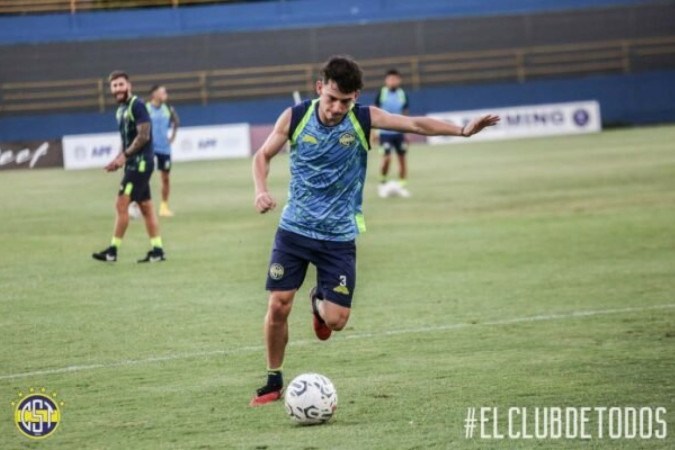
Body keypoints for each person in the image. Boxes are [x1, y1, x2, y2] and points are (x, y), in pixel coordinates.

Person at [249, 55, 499, 406]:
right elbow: (262, 156)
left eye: (346, 101)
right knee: (278, 304)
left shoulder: (364, 119)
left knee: (336, 321)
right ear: (320, 88)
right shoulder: (295, 117)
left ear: (357, 97)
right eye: (332, 98)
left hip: (338, 236)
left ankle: (319, 301)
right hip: (294, 229)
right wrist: (261, 189)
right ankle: (273, 379)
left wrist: (461, 130)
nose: (337, 108)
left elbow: (415, 125)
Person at [92, 70, 166, 263]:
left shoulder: (137, 105)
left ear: (129, 85)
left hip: (141, 164)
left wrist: (123, 156)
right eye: (114, 86)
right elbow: (126, 140)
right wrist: (118, 159)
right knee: (147, 208)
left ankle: (112, 251)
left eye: (121, 84)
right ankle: (157, 250)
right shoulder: (120, 110)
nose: (117, 89)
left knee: (121, 204)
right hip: (133, 163)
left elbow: (144, 136)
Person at [374, 68, 410, 198]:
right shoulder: (381, 93)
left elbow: (405, 113)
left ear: (399, 80)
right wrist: (373, 133)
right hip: (384, 133)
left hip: (399, 133)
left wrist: (407, 132)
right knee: (387, 159)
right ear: (386, 81)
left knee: (402, 160)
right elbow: (374, 112)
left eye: (395, 79)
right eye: (390, 79)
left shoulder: (402, 94)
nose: (392, 81)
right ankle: (382, 183)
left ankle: (402, 186)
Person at [146, 85, 180, 217]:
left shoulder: (168, 109)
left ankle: (164, 207)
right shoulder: (146, 109)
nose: (166, 94)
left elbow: (176, 122)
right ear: (154, 94)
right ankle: (140, 206)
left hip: (164, 149)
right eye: (163, 92)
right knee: (143, 177)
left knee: (165, 178)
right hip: (148, 148)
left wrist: (172, 137)